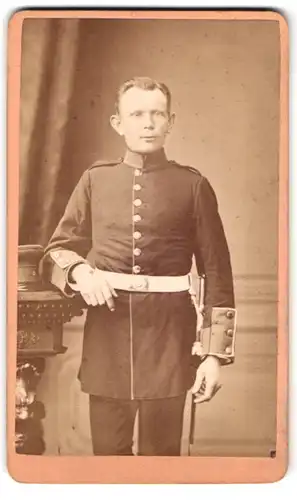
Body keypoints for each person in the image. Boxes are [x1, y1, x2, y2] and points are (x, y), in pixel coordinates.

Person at [40, 76, 236, 456]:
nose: (148, 123)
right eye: (137, 114)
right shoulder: (95, 180)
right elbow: (56, 251)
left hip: (171, 343)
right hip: (107, 341)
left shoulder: (193, 185)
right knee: (108, 462)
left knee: (160, 463)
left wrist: (214, 356)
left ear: (170, 121)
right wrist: (81, 272)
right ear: (118, 123)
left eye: (157, 114)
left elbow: (218, 273)